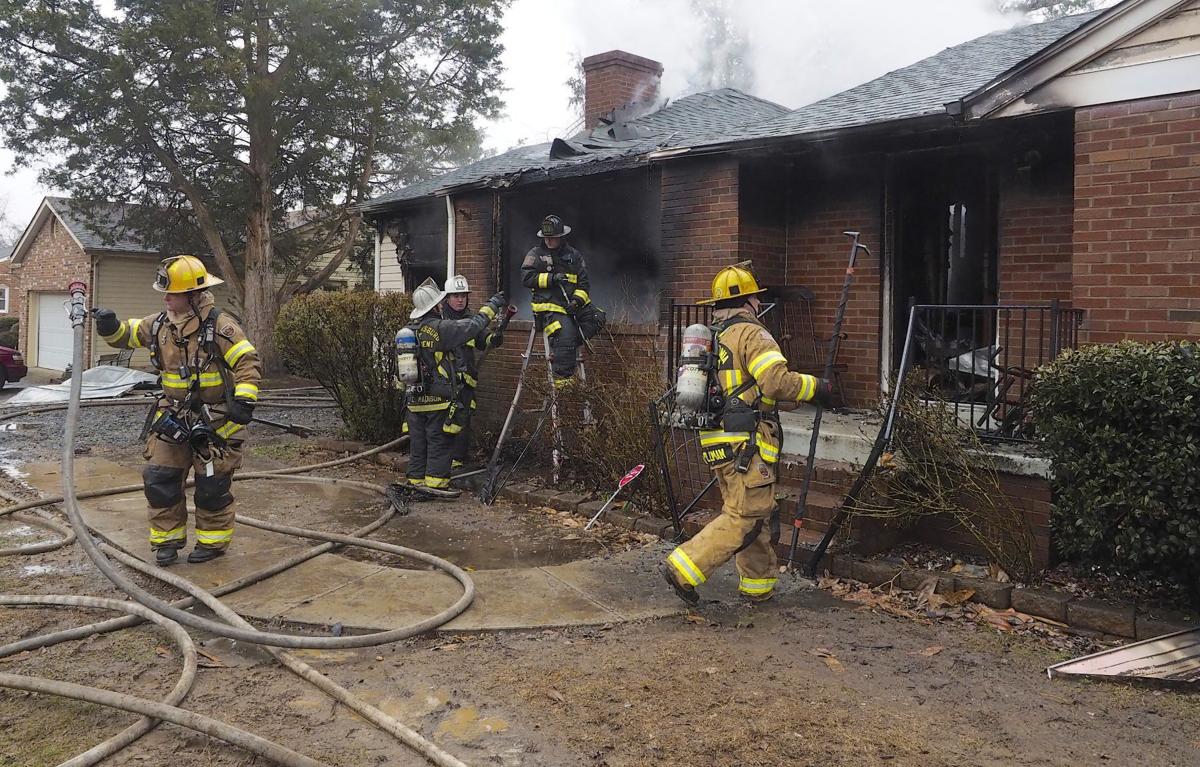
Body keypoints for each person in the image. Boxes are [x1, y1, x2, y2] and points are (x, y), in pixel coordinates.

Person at [662, 265, 833, 604]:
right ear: (750, 300)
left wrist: (782, 402)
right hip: (746, 444)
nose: (759, 302)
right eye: (757, 296)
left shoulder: (716, 336)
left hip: (719, 440)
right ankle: (683, 568)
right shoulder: (752, 334)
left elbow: (748, 389)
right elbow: (775, 381)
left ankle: (758, 588)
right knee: (744, 515)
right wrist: (817, 387)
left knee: (757, 514)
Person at [93, 255, 261, 566]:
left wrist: (245, 401)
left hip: (216, 421)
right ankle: (167, 543)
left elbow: (247, 363)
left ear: (194, 296)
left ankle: (212, 544)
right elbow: (127, 335)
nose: (166, 299)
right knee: (160, 479)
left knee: (212, 486)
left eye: (172, 294)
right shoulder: (160, 324)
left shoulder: (221, 326)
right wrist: (110, 326)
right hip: (172, 416)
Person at [402, 277, 505, 490]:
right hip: (437, 399)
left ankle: (415, 481)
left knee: (418, 444)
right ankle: (436, 485)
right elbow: (474, 325)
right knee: (440, 442)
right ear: (434, 306)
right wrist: (492, 306)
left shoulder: (408, 332)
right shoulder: (440, 328)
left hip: (413, 399)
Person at [520, 214, 605, 387]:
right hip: (549, 307)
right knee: (565, 332)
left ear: (561, 236)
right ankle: (563, 382)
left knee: (598, 318)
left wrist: (576, 302)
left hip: (571, 304)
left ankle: (567, 346)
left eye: (553, 238)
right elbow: (526, 278)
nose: (549, 241)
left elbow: (584, 284)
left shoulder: (574, 256)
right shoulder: (535, 254)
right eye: (546, 238)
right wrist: (551, 279)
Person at [440, 274, 505, 470]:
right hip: (444, 384)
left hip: (465, 384)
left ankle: (458, 463)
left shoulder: (471, 319)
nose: (460, 300)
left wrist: (493, 339)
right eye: (455, 296)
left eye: (463, 296)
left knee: (463, 422)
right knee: (443, 423)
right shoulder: (440, 321)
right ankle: (442, 461)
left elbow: (483, 339)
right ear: (447, 298)